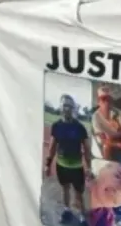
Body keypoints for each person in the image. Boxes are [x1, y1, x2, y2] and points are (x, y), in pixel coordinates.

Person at [44, 95, 92, 224]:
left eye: (69, 106)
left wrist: (89, 167)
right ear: (61, 107)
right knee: (65, 189)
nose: (67, 109)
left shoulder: (80, 127)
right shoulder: (56, 126)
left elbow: (87, 149)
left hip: (76, 167)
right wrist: (48, 164)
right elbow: (52, 146)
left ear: (73, 108)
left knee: (78, 193)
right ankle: (67, 211)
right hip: (62, 166)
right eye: (64, 105)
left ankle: (82, 216)